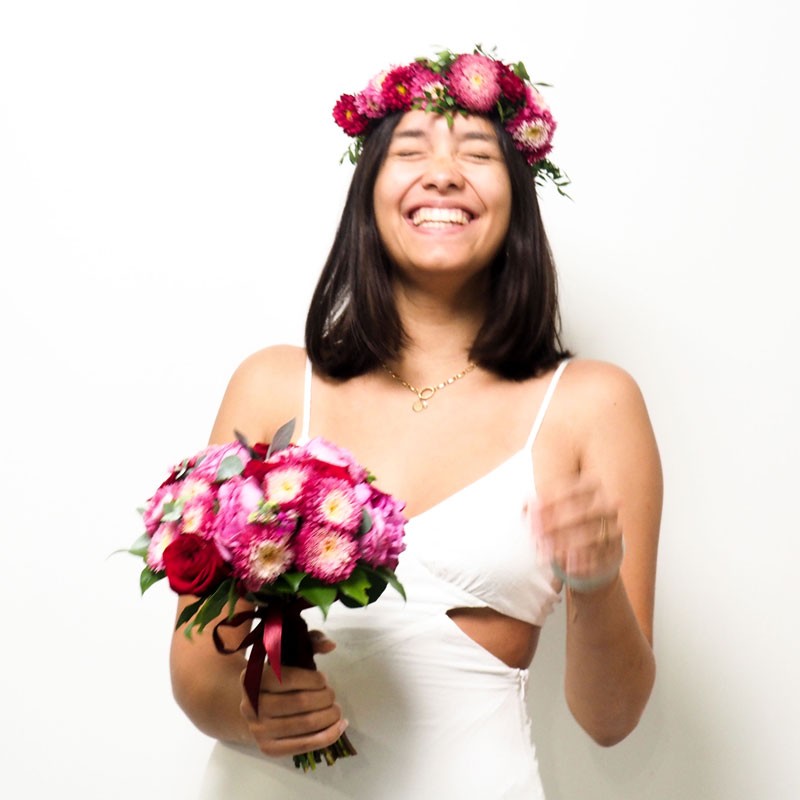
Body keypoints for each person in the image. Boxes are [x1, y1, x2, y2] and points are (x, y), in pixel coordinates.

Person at [169, 48, 661, 800]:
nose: (442, 173)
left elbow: (612, 719)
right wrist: (252, 720)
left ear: (517, 196)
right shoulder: (272, 385)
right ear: (369, 192)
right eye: (410, 151)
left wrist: (594, 586)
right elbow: (197, 674)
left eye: (476, 153)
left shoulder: (592, 403)